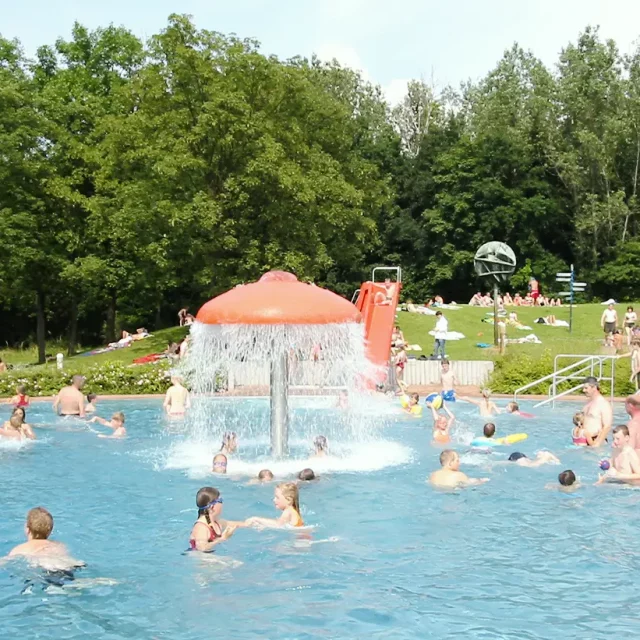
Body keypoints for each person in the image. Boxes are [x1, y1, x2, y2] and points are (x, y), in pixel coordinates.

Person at [5, 507, 84, 573]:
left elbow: (5, 561)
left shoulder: (20, 549)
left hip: (45, 569)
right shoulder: (59, 545)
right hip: (66, 566)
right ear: (50, 531)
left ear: (27, 529)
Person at [189, 487, 240, 552]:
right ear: (211, 507)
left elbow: (231, 524)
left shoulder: (216, 522)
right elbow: (201, 548)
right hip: (198, 556)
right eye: (220, 501)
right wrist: (222, 538)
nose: (222, 503)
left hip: (208, 556)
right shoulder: (201, 527)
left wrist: (249, 523)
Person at [582, 377, 612, 447]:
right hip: (584, 441)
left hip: (596, 441)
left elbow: (607, 426)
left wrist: (597, 443)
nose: (583, 390)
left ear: (594, 387)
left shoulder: (603, 403)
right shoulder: (587, 403)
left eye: (586, 388)